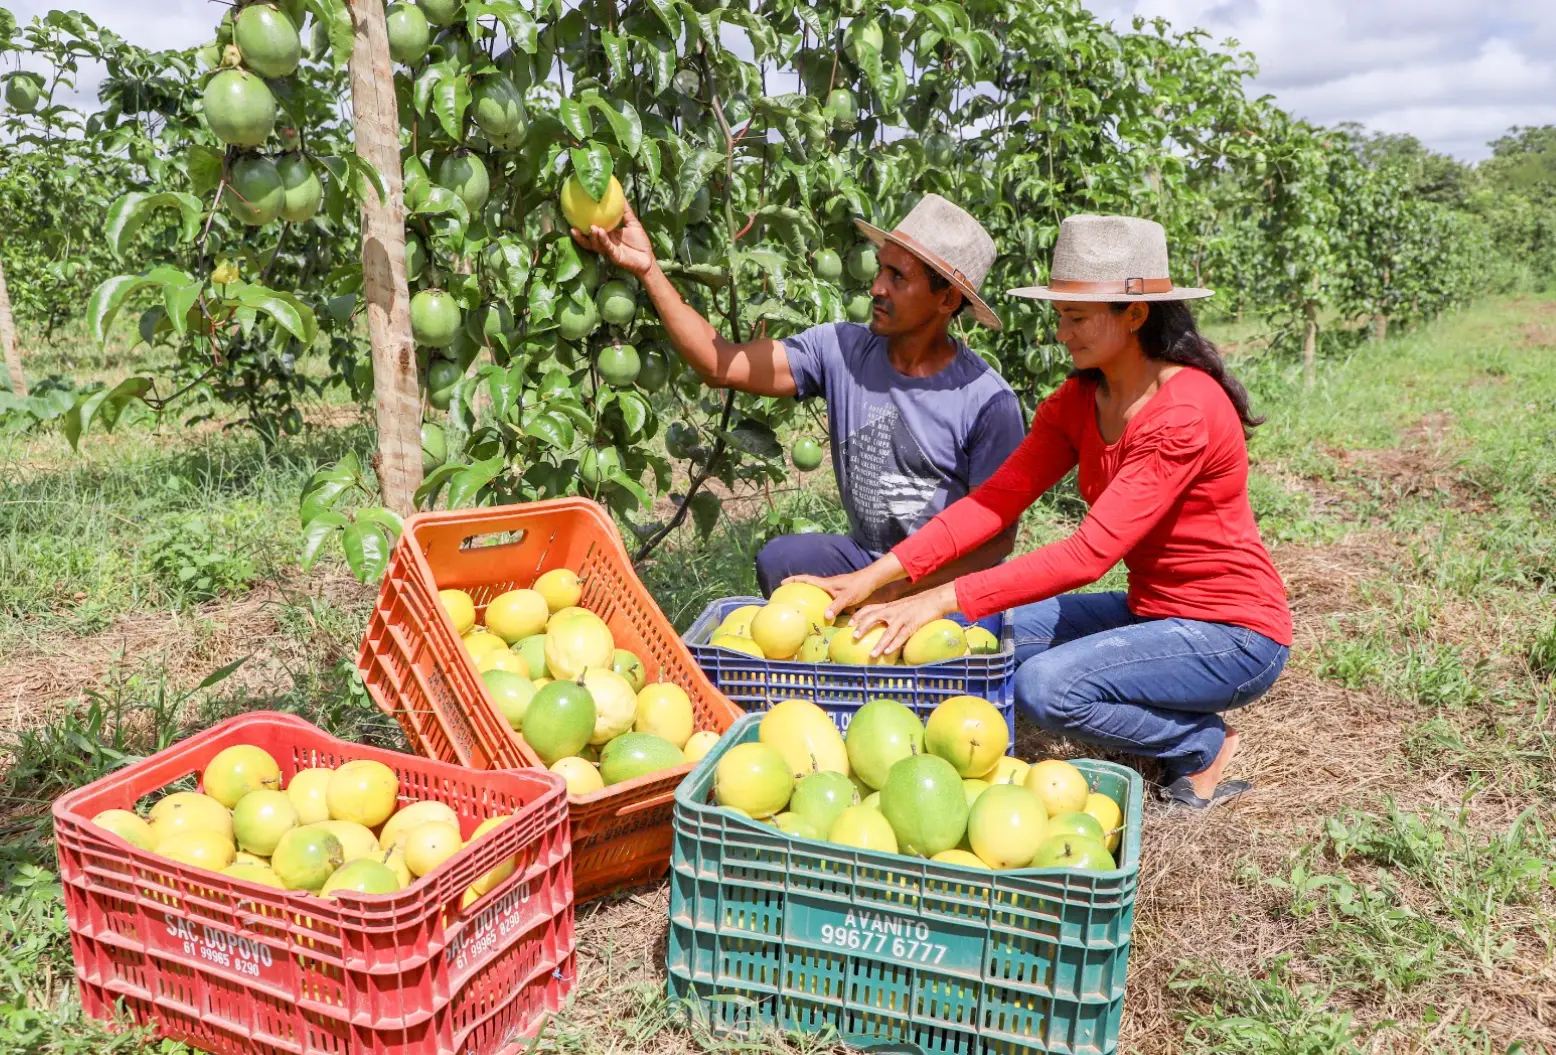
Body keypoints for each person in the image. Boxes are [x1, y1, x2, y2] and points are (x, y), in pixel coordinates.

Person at [789, 215, 1293, 808]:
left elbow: (1089, 555)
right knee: (971, 636)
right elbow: (992, 503)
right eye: (1060, 316)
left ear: (1134, 316)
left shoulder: (1184, 413)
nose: (1061, 333)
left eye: (1076, 318)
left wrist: (939, 595)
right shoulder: (1079, 400)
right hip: (1151, 610)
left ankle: (1199, 743)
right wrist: (879, 577)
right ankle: (1149, 700)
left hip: (1232, 634)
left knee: (1044, 688)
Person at [571, 193, 1025, 607]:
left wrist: (890, 593)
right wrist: (648, 268)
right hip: (866, 558)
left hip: (941, 581)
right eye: (880, 269)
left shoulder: (986, 402)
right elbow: (719, 363)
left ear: (947, 299)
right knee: (782, 560)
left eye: (898, 277)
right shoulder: (841, 351)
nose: (876, 288)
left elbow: (995, 541)